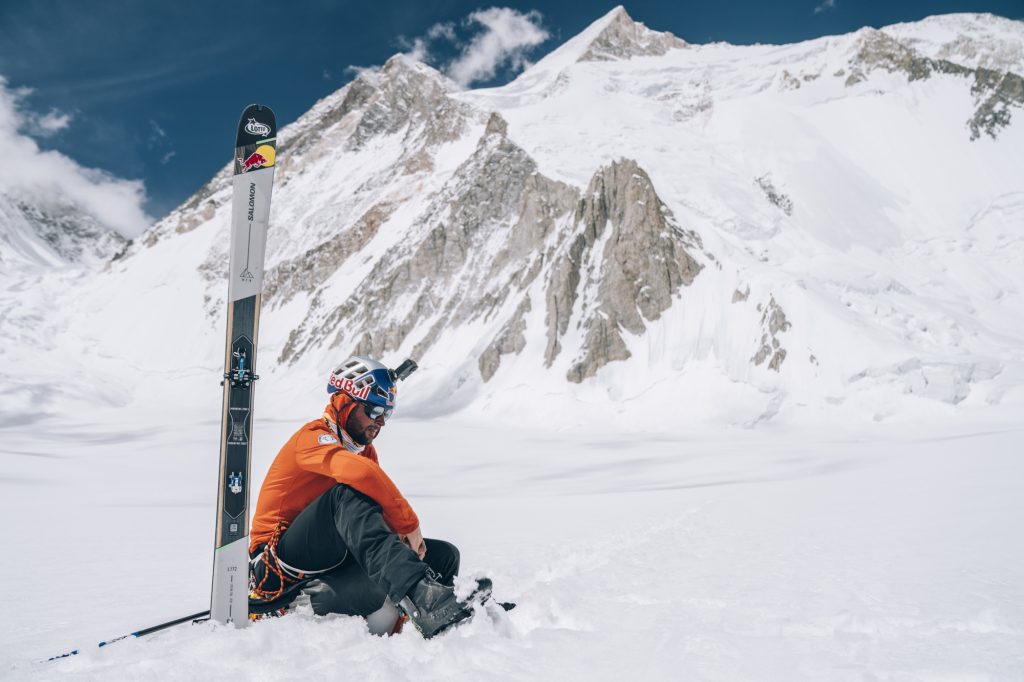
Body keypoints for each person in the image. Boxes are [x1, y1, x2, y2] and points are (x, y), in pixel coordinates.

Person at [247, 355, 485, 638]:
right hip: (278, 566)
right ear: (345, 402)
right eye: (374, 411)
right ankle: (423, 597)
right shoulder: (313, 438)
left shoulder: (364, 453)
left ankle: (444, 615)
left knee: (444, 556)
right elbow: (361, 477)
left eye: (387, 414)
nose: (381, 422)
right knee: (345, 493)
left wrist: (404, 543)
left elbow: (372, 519)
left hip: (334, 559)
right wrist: (408, 525)